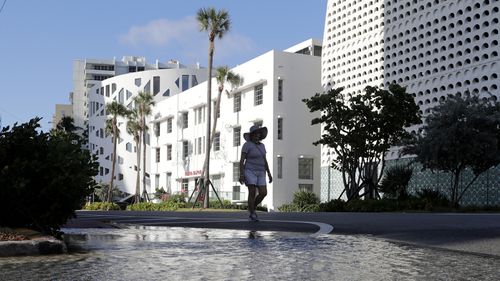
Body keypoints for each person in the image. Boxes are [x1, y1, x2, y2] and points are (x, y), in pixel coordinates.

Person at [239, 125, 273, 221]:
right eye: (255, 134)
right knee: (252, 192)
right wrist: (241, 174)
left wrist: (269, 173)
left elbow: (264, 160)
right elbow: (241, 161)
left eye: (258, 134)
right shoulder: (247, 145)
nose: (257, 136)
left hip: (261, 171)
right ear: (251, 135)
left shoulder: (262, 146)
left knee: (263, 193)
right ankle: (253, 213)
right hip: (250, 171)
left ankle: (252, 207)